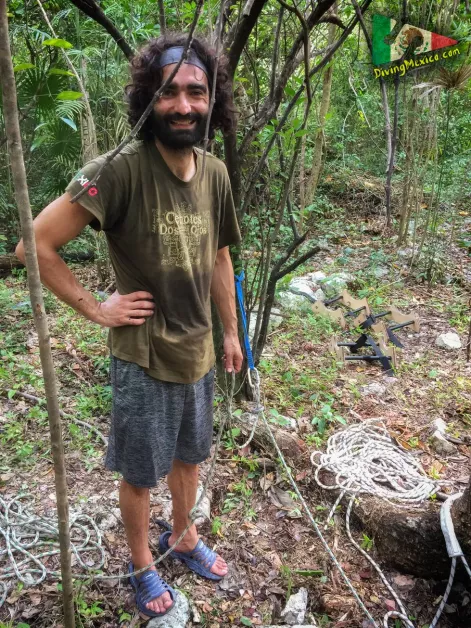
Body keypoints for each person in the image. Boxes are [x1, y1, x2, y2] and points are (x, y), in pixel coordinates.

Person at [15, 33, 243, 619]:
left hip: (198, 352)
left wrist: (231, 331)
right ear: (148, 98)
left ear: (212, 100)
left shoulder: (215, 173)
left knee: (190, 457)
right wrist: (97, 308)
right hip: (144, 357)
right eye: (169, 92)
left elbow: (220, 256)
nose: (184, 105)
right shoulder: (117, 171)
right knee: (141, 472)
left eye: (196, 91)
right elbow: (34, 245)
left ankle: (184, 536)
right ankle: (143, 564)